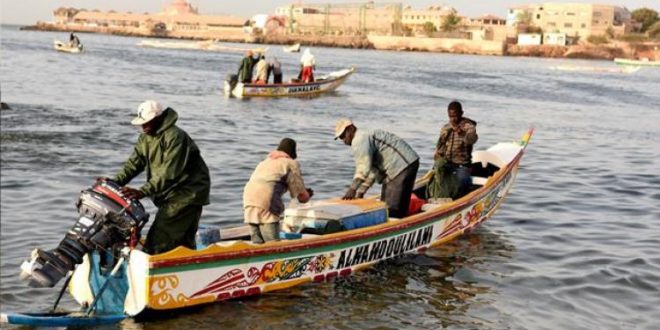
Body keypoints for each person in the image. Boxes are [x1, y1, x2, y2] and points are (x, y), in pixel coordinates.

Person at [109, 100, 211, 254]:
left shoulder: (175, 137)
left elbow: (169, 172)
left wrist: (142, 191)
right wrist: (113, 183)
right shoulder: (145, 138)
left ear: (159, 118)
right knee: (182, 240)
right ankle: (186, 268)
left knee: (160, 238)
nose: (144, 127)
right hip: (171, 193)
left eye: (147, 123)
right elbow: (133, 164)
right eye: (142, 124)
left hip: (187, 194)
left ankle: (156, 265)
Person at [335, 119, 419, 218]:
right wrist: (361, 191)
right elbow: (371, 171)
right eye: (341, 138)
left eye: (343, 136)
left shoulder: (360, 139)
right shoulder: (364, 138)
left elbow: (363, 167)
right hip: (403, 165)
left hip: (401, 166)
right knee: (385, 206)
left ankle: (397, 226)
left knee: (392, 209)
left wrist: (352, 189)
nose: (344, 140)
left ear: (351, 128)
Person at [243, 138, 313, 244]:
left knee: (257, 244)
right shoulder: (290, 163)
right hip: (266, 200)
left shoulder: (265, 162)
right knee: (272, 244)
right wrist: (307, 194)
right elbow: (302, 197)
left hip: (248, 199)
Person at [431, 101, 478, 199]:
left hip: (462, 165)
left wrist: (460, 132)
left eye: (455, 116)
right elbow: (440, 146)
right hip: (448, 163)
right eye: (450, 116)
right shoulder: (446, 128)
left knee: (461, 183)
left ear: (461, 113)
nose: (453, 119)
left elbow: (471, 140)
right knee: (436, 178)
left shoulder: (468, 126)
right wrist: (438, 155)